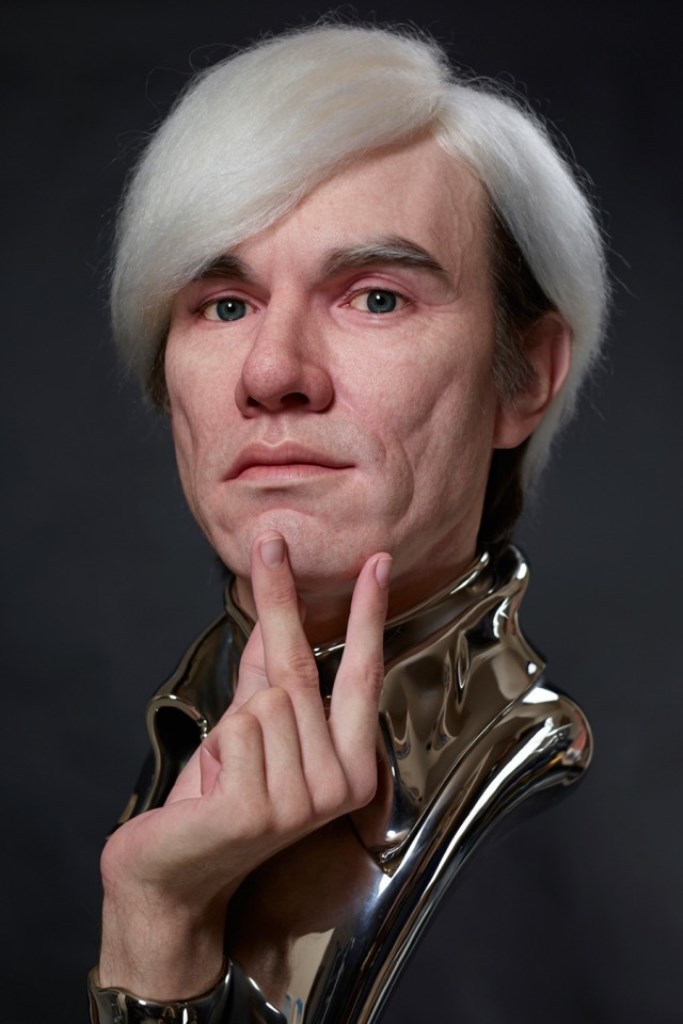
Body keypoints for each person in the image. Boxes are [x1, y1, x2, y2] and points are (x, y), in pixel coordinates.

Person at [88, 21, 607, 1023]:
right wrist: (154, 918)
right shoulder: (177, 744)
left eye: (373, 297)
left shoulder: (558, 839)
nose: (273, 371)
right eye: (223, 304)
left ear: (523, 378)